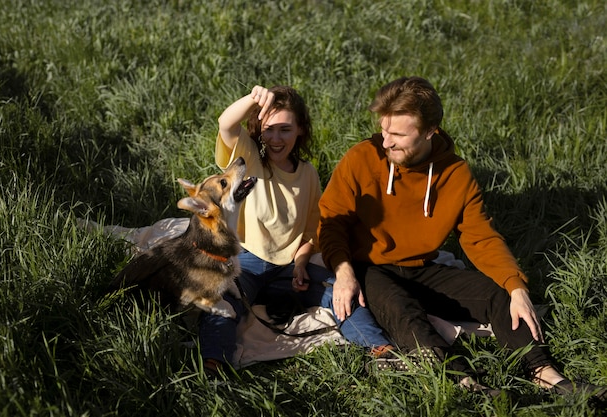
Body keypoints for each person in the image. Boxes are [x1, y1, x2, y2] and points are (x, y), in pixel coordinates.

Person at [317, 76, 606, 402]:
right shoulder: (361, 158)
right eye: (384, 130)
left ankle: (546, 375)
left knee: (500, 297)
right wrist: (343, 273)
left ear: (429, 132)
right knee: (403, 310)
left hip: (422, 267)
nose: (385, 142)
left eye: (397, 134)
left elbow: (480, 237)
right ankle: (464, 383)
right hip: (368, 267)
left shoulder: (455, 173)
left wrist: (516, 286)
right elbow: (330, 222)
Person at [198, 85, 392, 375]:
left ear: (300, 129)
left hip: (289, 268)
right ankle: (215, 363)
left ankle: (379, 349)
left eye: (285, 130)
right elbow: (226, 124)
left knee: (339, 291)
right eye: (269, 129)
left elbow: (312, 230)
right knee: (222, 299)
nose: (276, 139)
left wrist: (302, 262)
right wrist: (253, 99)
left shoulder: (308, 174)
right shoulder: (249, 160)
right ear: (259, 129)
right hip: (246, 262)